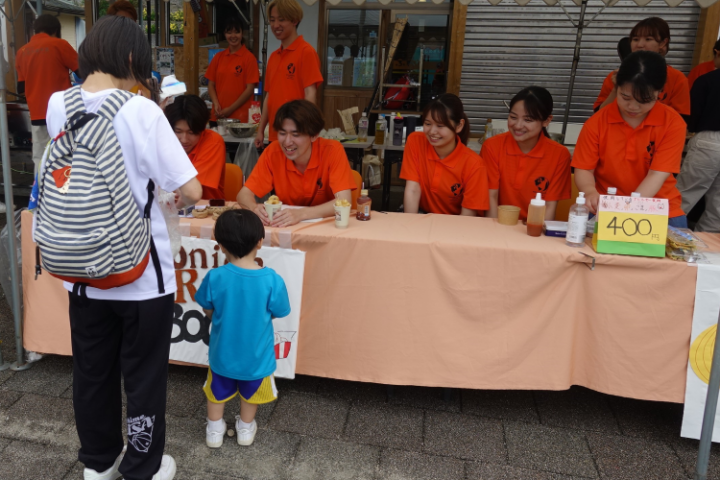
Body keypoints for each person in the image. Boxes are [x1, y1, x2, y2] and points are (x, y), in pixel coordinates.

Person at [45, 15, 202, 480]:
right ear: (133, 59)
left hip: (83, 273)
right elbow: (190, 190)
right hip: (140, 275)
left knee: (91, 373)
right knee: (143, 377)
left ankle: (97, 466)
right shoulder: (142, 111)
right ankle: (141, 468)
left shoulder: (58, 105)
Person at [196, 209, 290, 449]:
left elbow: (207, 308)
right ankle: (246, 429)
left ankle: (214, 430)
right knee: (251, 394)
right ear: (260, 242)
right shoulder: (272, 280)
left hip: (222, 354)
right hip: (257, 358)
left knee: (216, 391)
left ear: (220, 246)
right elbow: (280, 311)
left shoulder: (215, 277)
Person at [573, 51, 687, 228]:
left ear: (659, 92)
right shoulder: (597, 122)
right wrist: (589, 191)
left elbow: (657, 174)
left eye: (644, 100)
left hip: (659, 211)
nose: (633, 107)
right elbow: (584, 169)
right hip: (604, 209)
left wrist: (627, 210)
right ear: (616, 87)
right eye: (625, 97)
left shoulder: (672, 123)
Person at [239, 100, 356, 227]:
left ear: (314, 135)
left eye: (296, 134)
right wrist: (254, 208)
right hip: (286, 227)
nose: (287, 142)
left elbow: (344, 201)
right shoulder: (273, 152)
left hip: (327, 226)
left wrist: (301, 214)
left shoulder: (332, 150)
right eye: (282, 133)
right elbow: (243, 194)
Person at [482, 87, 571, 221]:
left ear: (546, 121)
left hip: (532, 228)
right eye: (513, 117)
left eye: (528, 120)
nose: (518, 125)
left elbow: (550, 206)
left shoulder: (559, 154)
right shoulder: (492, 146)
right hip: (497, 224)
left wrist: (537, 235)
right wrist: (496, 234)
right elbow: (491, 197)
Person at [400, 93, 489, 216]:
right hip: (423, 215)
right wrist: (410, 226)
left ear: (459, 126)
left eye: (440, 125)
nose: (432, 132)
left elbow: (467, 216)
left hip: (456, 223)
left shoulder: (474, 165)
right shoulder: (415, 141)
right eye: (428, 124)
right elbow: (413, 189)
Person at [254, 0, 323, 148]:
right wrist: (260, 130)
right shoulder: (273, 57)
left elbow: (310, 94)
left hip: (295, 137)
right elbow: (268, 97)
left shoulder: (306, 52)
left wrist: (304, 129)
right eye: (272, 20)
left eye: (281, 19)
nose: (275, 25)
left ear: (294, 20)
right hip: (273, 136)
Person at [15, 14, 79, 170]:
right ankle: (64, 191)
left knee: (40, 156)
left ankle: (41, 190)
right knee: (66, 154)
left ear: (35, 31)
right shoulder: (60, 45)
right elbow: (83, 72)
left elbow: (21, 88)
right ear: (56, 30)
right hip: (62, 112)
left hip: (37, 114)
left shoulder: (22, 52)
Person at [593, 17, 690, 118]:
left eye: (648, 39)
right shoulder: (616, 76)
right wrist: (616, 89)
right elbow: (599, 116)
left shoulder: (677, 78)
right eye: (635, 39)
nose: (639, 45)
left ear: (663, 43)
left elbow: (681, 120)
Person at [676, 65, 720, 232]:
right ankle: (706, 250)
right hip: (710, 141)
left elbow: (691, 116)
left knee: (684, 194)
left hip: (709, 140)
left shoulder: (707, 80)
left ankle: (664, 238)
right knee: (718, 206)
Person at [165, 95, 227, 200]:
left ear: (203, 128)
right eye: (178, 131)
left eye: (192, 133)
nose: (184, 139)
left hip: (205, 208)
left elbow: (191, 192)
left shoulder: (213, 142)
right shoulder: (163, 139)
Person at [206, 18, 260, 123]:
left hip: (240, 118)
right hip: (217, 115)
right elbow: (211, 84)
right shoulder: (218, 57)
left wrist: (230, 110)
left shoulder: (249, 58)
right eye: (229, 32)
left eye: (237, 32)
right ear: (224, 34)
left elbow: (250, 90)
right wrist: (216, 104)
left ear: (242, 34)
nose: (233, 36)